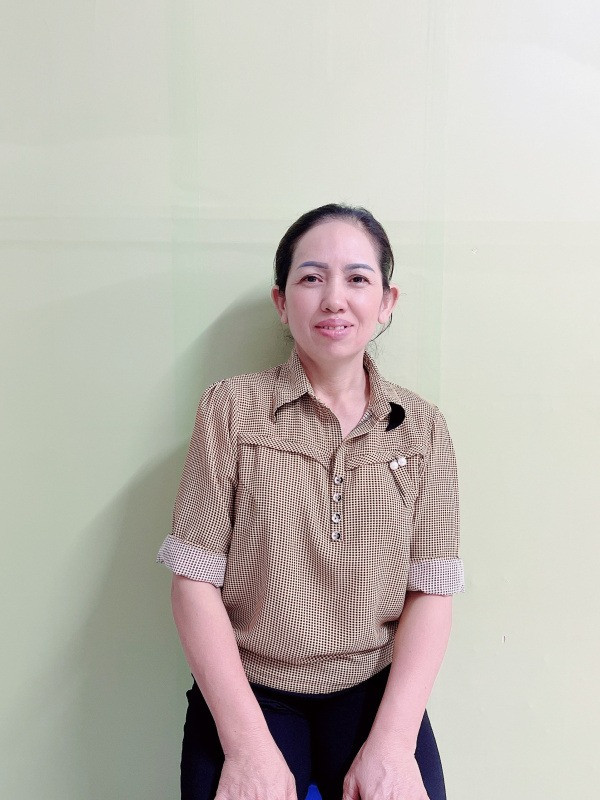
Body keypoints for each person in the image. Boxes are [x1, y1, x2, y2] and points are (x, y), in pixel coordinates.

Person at [157, 203, 464, 800]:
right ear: (281, 301)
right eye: (311, 277)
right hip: (253, 690)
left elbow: (432, 590)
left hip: (372, 688)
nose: (334, 299)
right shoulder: (230, 409)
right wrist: (248, 751)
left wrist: (393, 746)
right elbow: (192, 582)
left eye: (357, 278)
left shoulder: (422, 428)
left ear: (387, 301)